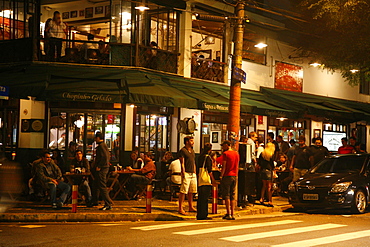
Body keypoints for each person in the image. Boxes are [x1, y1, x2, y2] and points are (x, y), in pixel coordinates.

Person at [92, 132, 113, 210]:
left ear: (98, 138)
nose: (94, 140)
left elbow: (104, 157)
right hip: (104, 167)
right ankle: (95, 200)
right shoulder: (103, 146)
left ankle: (108, 203)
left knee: (102, 185)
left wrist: (99, 166)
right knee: (96, 184)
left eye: (95, 138)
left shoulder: (101, 146)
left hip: (102, 168)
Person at [178, 136, 197, 215]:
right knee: (183, 190)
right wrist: (183, 172)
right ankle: (180, 208)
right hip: (186, 173)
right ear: (187, 142)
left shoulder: (192, 151)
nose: (193, 142)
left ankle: (190, 206)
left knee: (191, 190)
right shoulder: (183, 151)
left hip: (192, 172)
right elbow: (182, 162)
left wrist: (194, 171)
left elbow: (193, 162)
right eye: (191, 141)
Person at [220, 140, 239, 220]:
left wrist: (221, 175)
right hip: (234, 175)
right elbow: (237, 165)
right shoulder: (236, 153)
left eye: (223, 146)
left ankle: (228, 213)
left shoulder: (225, 154)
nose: (222, 147)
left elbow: (224, 166)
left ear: (227, 145)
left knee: (226, 195)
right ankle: (232, 213)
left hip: (227, 175)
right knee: (232, 194)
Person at [197, 143, 215, 220]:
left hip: (200, 178)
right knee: (205, 198)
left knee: (200, 198)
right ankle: (204, 214)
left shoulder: (200, 157)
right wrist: (213, 180)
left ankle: (199, 214)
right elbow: (209, 170)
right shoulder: (208, 158)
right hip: (205, 179)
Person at [257, 142, 275, 207]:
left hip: (262, 170)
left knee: (264, 185)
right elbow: (272, 164)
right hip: (268, 170)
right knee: (269, 187)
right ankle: (270, 200)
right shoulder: (270, 154)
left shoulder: (262, 154)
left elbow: (259, 162)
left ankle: (261, 198)